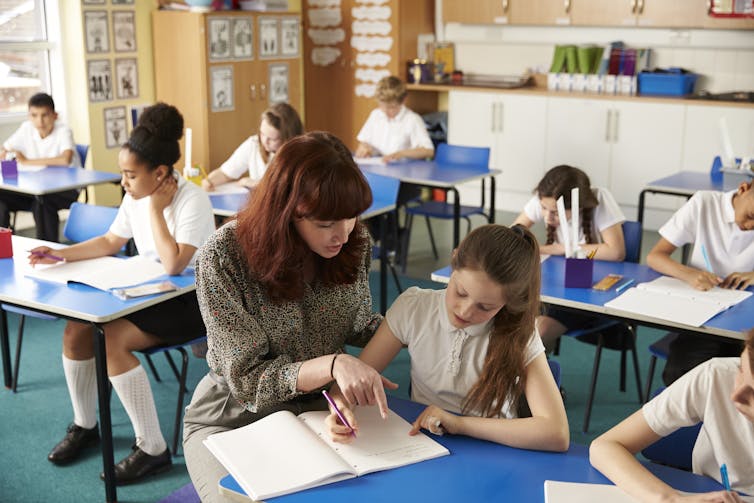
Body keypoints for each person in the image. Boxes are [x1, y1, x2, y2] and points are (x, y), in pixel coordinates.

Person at [183, 131, 394, 503]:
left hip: (317, 408)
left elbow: (358, 323)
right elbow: (248, 381)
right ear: (287, 212)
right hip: (232, 416)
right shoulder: (224, 256)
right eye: (326, 223)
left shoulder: (353, 241)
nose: (342, 234)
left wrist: (413, 322)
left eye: (350, 217)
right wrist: (334, 365)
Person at [29, 103, 215, 485]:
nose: (124, 183)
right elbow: (112, 240)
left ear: (160, 173)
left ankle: (153, 449)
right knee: (76, 329)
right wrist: (59, 254)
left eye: (131, 175)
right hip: (147, 292)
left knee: (112, 340)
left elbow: (174, 265)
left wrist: (158, 211)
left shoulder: (191, 199)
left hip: (190, 301)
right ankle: (85, 425)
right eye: (123, 174)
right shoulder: (135, 196)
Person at [326, 224, 570, 452]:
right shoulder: (414, 307)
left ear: (507, 304)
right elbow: (352, 381)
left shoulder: (518, 332)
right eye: (461, 292)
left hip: (492, 446)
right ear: (453, 263)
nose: (465, 311)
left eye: (485, 307)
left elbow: (556, 433)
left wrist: (459, 424)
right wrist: (341, 407)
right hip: (423, 443)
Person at [590, 328, 754, 501]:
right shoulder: (716, 377)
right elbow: (605, 446)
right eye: (741, 369)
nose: (736, 395)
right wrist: (672, 499)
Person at [647, 181, 754, 385]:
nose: (749, 227)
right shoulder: (704, 204)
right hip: (705, 314)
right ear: (743, 188)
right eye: (751, 217)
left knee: (741, 380)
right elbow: (655, 256)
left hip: (748, 319)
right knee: (683, 375)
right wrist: (689, 274)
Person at [512, 165, 627, 352]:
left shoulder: (599, 199)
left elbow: (616, 252)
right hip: (551, 289)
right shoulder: (546, 198)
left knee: (537, 333)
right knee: (507, 322)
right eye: (543, 208)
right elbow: (513, 235)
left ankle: (538, 378)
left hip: (587, 295)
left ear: (578, 206)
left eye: (556, 212)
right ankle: (538, 376)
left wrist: (559, 249)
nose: (547, 217)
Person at [0, 92, 82, 242]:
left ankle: (45, 251)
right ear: (29, 116)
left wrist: (26, 161)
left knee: (42, 201)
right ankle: (3, 245)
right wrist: (6, 153)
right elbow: (4, 149)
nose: (40, 121)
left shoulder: (63, 131)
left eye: (45, 115)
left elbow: (65, 159)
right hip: (34, 189)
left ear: (54, 115)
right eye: (34, 115)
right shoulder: (26, 128)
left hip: (64, 190)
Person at [201, 102, 303, 192]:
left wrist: (254, 183)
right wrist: (209, 181)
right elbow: (226, 173)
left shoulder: (301, 152)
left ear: (287, 138)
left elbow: (287, 189)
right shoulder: (254, 144)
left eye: (272, 139)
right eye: (262, 134)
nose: (264, 141)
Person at [354, 75, 434, 163]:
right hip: (378, 165)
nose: (386, 112)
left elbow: (429, 151)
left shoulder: (412, 119)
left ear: (403, 101)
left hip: (402, 169)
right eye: (382, 106)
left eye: (391, 107)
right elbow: (365, 141)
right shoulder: (376, 114)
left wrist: (400, 154)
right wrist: (364, 148)